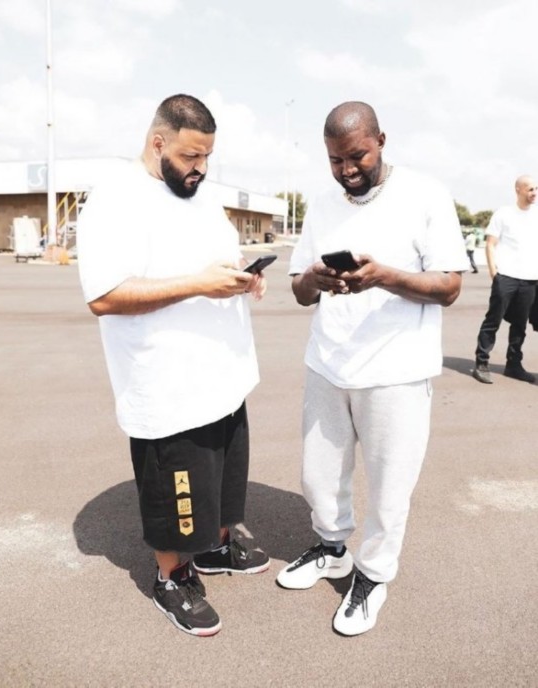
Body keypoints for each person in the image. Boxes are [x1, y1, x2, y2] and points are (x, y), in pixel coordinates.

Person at [77, 94, 270, 638]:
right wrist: (198, 285)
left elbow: (219, 261)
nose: (200, 168)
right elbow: (105, 295)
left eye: (207, 156)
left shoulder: (203, 197)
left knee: (224, 481)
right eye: (190, 156)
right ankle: (172, 577)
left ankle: (216, 547)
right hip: (168, 385)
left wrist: (244, 276)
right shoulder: (115, 199)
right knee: (178, 491)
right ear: (158, 142)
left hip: (224, 374)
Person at [275, 101, 468, 636]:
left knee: (389, 486)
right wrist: (314, 278)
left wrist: (384, 276)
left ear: (381, 140)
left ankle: (374, 574)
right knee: (318, 477)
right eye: (335, 160)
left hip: (396, 372)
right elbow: (298, 290)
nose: (347, 170)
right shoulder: (322, 203)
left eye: (356, 156)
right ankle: (332, 548)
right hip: (327, 363)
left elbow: (450, 286)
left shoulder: (425, 194)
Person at [472, 176, 538, 384]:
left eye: (536, 189)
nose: (534, 193)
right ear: (518, 189)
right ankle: (481, 363)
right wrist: (494, 273)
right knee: (493, 321)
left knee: (519, 325)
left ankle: (513, 365)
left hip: (530, 280)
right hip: (506, 276)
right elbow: (490, 244)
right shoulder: (504, 214)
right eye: (530, 189)